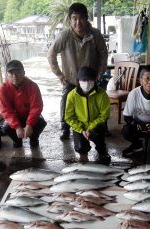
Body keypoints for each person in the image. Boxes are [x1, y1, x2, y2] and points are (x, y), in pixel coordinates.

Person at [47, 2, 108, 141]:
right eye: (74, 18)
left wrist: (100, 71)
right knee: (65, 100)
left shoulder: (95, 34)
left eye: (81, 18)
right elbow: (51, 54)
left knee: (98, 101)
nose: (78, 22)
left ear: (87, 19)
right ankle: (64, 127)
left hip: (91, 78)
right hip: (71, 78)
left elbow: (103, 53)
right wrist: (59, 74)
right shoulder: (64, 36)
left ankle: (102, 126)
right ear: (70, 19)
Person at [64, 66, 111, 163]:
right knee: (81, 147)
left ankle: (102, 150)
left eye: (90, 80)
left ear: (95, 80)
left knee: (99, 135)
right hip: (80, 127)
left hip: (95, 126)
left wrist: (90, 128)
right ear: (78, 81)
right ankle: (83, 154)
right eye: (84, 80)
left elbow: (104, 115)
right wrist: (81, 130)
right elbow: (69, 117)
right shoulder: (71, 95)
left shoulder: (102, 94)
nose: (87, 83)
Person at [0, 60, 47, 148]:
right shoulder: (3, 89)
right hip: (15, 117)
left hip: (29, 115)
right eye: (11, 73)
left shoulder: (33, 86)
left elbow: (36, 107)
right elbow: (6, 111)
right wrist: (17, 127)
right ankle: (17, 141)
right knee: (6, 128)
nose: (15, 76)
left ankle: (34, 139)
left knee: (41, 122)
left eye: (18, 72)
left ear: (24, 73)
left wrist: (29, 124)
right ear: (6, 75)